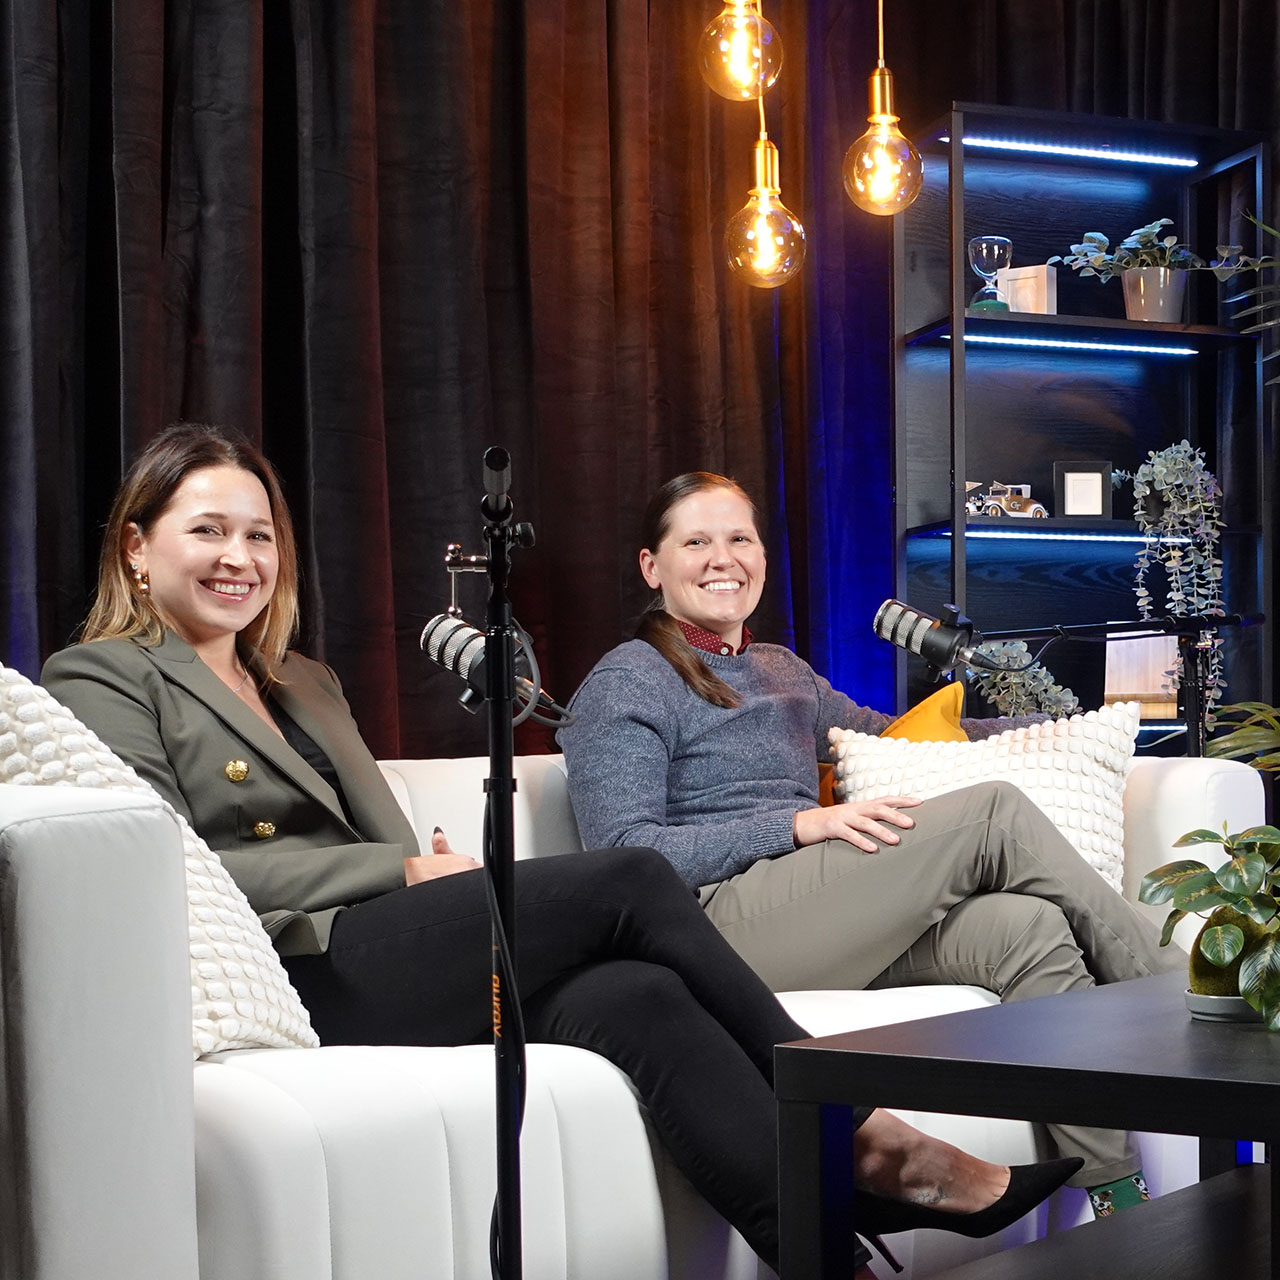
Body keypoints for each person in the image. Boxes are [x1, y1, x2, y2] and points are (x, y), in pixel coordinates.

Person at [42, 425, 1079, 1278]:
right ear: (136, 545)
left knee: (635, 995)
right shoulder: (103, 674)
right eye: (207, 531)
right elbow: (162, 861)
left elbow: (378, 832)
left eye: (258, 534)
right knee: (629, 877)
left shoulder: (303, 678)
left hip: (379, 934)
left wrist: (415, 859)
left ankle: (824, 1255)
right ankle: (861, 1132)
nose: (240, 559)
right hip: (301, 957)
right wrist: (396, 873)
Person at [558, 470, 1182, 1220]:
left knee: (1030, 931)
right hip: (712, 931)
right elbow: (622, 859)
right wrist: (792, 825)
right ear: (653, 567)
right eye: (696, 542)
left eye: (739, 539)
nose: (722, 558)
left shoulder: (779, 669)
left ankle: (1118, 1200)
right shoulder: (625, 681)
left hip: (820, 911)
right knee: (993, 816)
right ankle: (1192, 1003)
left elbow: (894, 738)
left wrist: (1053, 735)